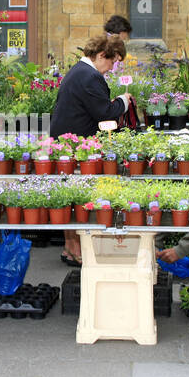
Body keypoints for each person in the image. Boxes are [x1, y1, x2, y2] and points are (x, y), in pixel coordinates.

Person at [50, 33, 133, 263]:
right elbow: (105, 112)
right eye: (112, 61)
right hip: (77, 145)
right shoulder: (89, 77)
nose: (111, 68)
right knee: (78, 197)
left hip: (66, 143)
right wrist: (123, 101)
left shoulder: (79, 71)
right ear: (100, 55)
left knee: (70, 195)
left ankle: (69, 247)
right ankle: (76, 250)